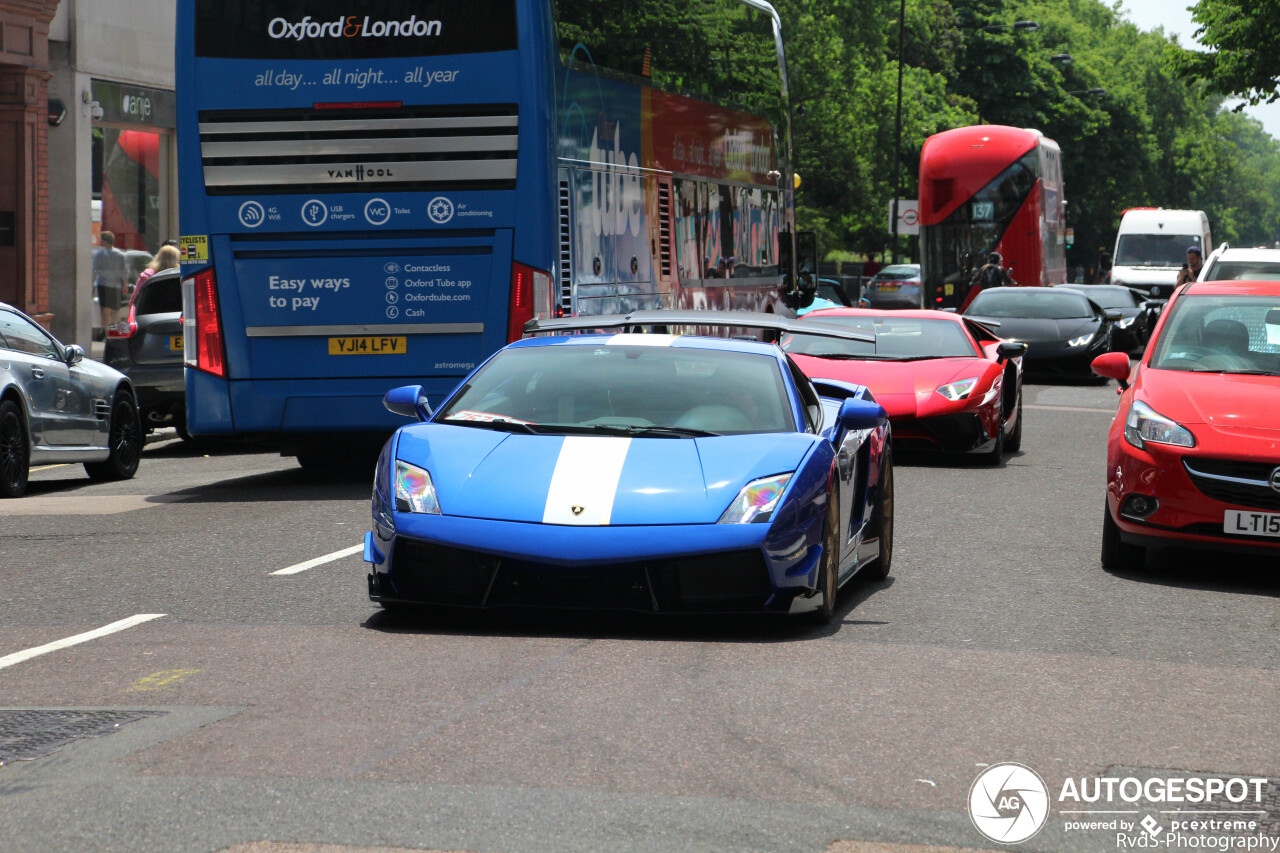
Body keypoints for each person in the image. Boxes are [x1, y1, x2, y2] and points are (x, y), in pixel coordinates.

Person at [92, 231, 130, 332]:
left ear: (105, 241)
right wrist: (125, 285)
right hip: (116, 285)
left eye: (101, 239)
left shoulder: (99, 254)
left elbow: (94, 270)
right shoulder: (120, 254)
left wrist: (92, 284)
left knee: (105, 309)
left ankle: (106, 331)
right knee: (115, 309)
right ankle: (115, 329)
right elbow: (124, 271)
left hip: (103, 284)